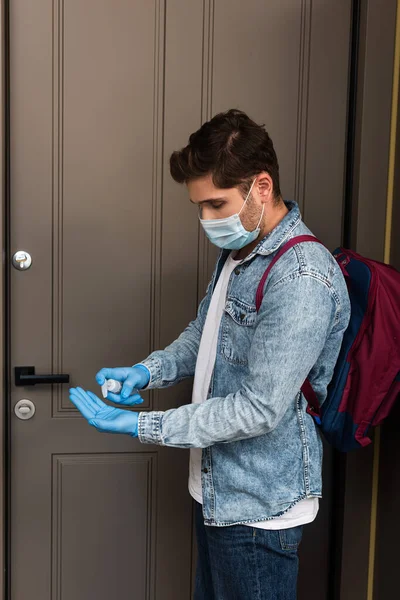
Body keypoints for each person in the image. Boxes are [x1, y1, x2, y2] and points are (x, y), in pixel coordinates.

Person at [70, 109, 351, 599]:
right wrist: (147, 372)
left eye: (216, 204)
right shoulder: (243, 250)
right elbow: (207, 332)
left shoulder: (302, 277)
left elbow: (259, 409)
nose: (206, 220)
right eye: (199, 206)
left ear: (261, 187)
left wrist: (143, 426)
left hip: (259, 507)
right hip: (218, 489)